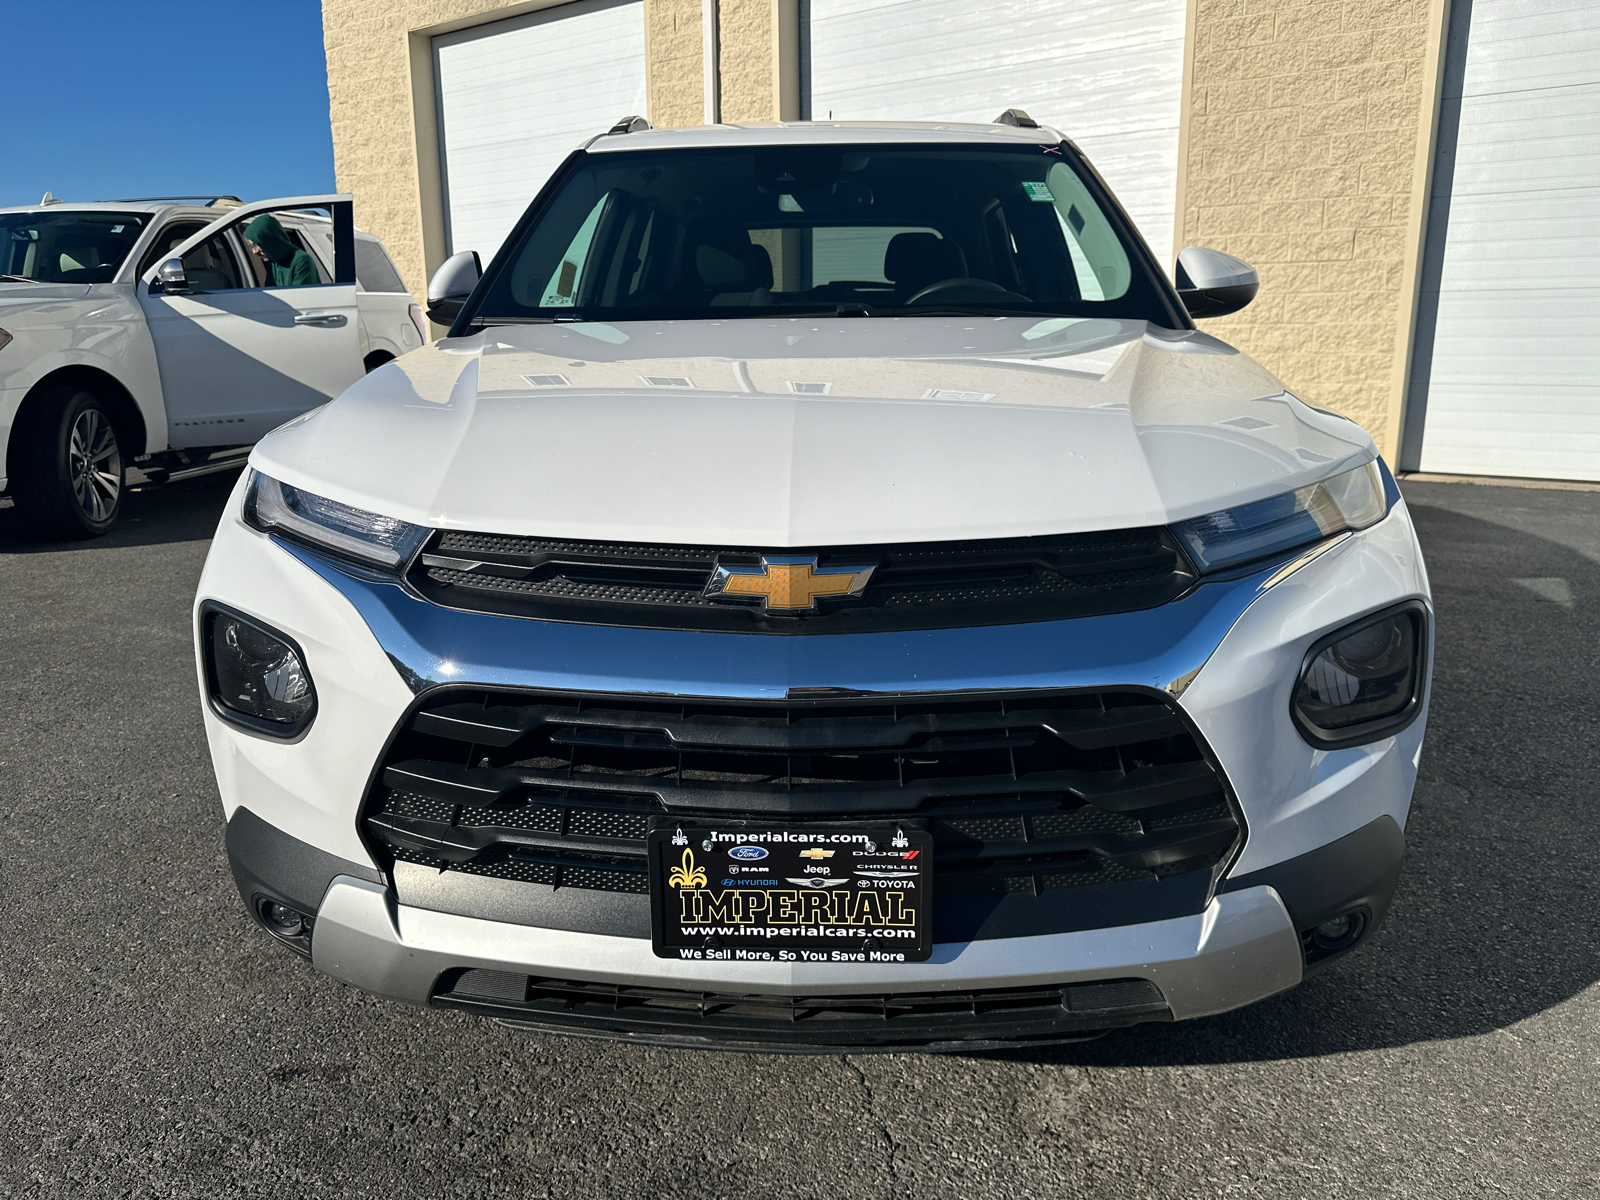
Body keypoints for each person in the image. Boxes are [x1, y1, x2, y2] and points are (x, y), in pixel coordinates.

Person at [242, 213, 321, 287]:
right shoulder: (275, 263)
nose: (254, 252)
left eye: (256, 245)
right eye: (251, 246)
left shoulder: (301, 261)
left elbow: (300, 298)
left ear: (270, 242)